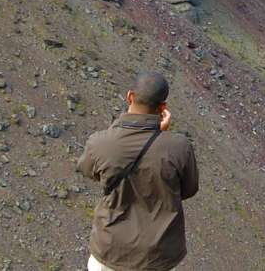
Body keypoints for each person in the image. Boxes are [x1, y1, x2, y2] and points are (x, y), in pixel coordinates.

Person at [75, 73, 200, 271]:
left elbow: (89, 170)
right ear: (163, 107)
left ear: (130, 97)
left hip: (110, 251)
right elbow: (189, 189)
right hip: (157, 257)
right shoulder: (179, 147)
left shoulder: (100, 142)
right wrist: (159, 134)